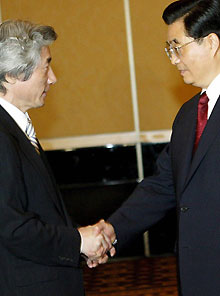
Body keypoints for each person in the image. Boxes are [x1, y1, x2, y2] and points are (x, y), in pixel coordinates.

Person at [98, 0, 220, 295]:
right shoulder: (190, 113)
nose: (174, 59)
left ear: (212, 43)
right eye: (170, 49)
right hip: (197, 272)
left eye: (178, 46)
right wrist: (112, 232)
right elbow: (163, 184)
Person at [0, 20, 115, 296]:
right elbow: (11, 227)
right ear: (14, 75)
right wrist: (78, 241)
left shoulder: (16, 127)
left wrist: (81, 243)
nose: (53, 78)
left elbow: (39, 213)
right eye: (46, 66)